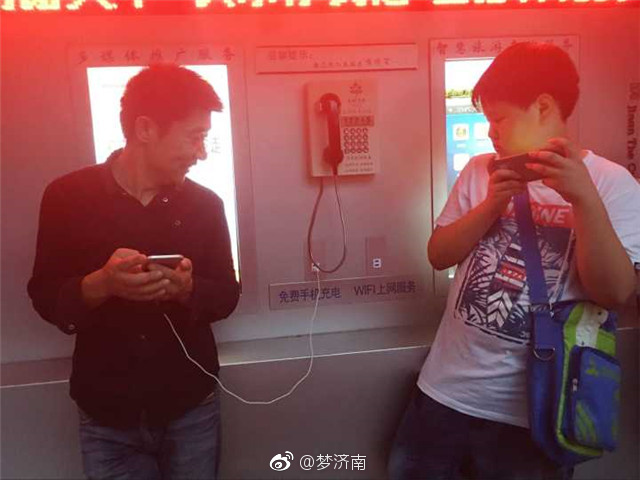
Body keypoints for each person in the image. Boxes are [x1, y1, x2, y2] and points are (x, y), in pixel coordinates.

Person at [388, 42, 640, 480]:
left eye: (499, 119)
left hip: (536, 412)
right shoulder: (480, 171)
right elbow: (439, 255)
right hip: (443, 393)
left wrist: (583, 199)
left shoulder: (612, 184)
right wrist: (491, 205)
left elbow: (615, 293)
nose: (491, 132)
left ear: (543, 107)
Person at [27, 63, 240, 479]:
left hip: (190, 406)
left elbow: (227, 295)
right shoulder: (67, 197)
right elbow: (45, 296)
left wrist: (186, 289)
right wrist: (102, 284)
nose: (201, 153)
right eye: (194, 137)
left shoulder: (205, 205)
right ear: (145, 129)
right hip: (107, 413)